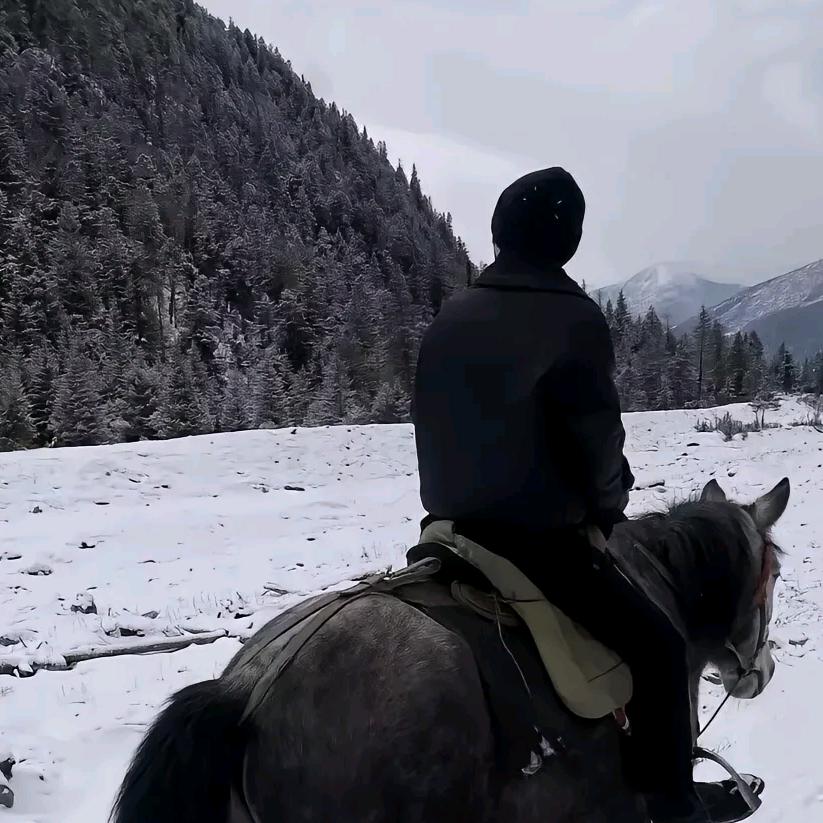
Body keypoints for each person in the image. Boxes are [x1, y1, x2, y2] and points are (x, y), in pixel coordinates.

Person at [412, 167, 757, 823]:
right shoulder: (571, 316)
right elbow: (598, 445)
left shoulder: (452, 313)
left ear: (499, 230)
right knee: (661, 649)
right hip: (537, 546)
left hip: (444, 535)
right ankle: (673, 804)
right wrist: (606, 511)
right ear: (566, 239)